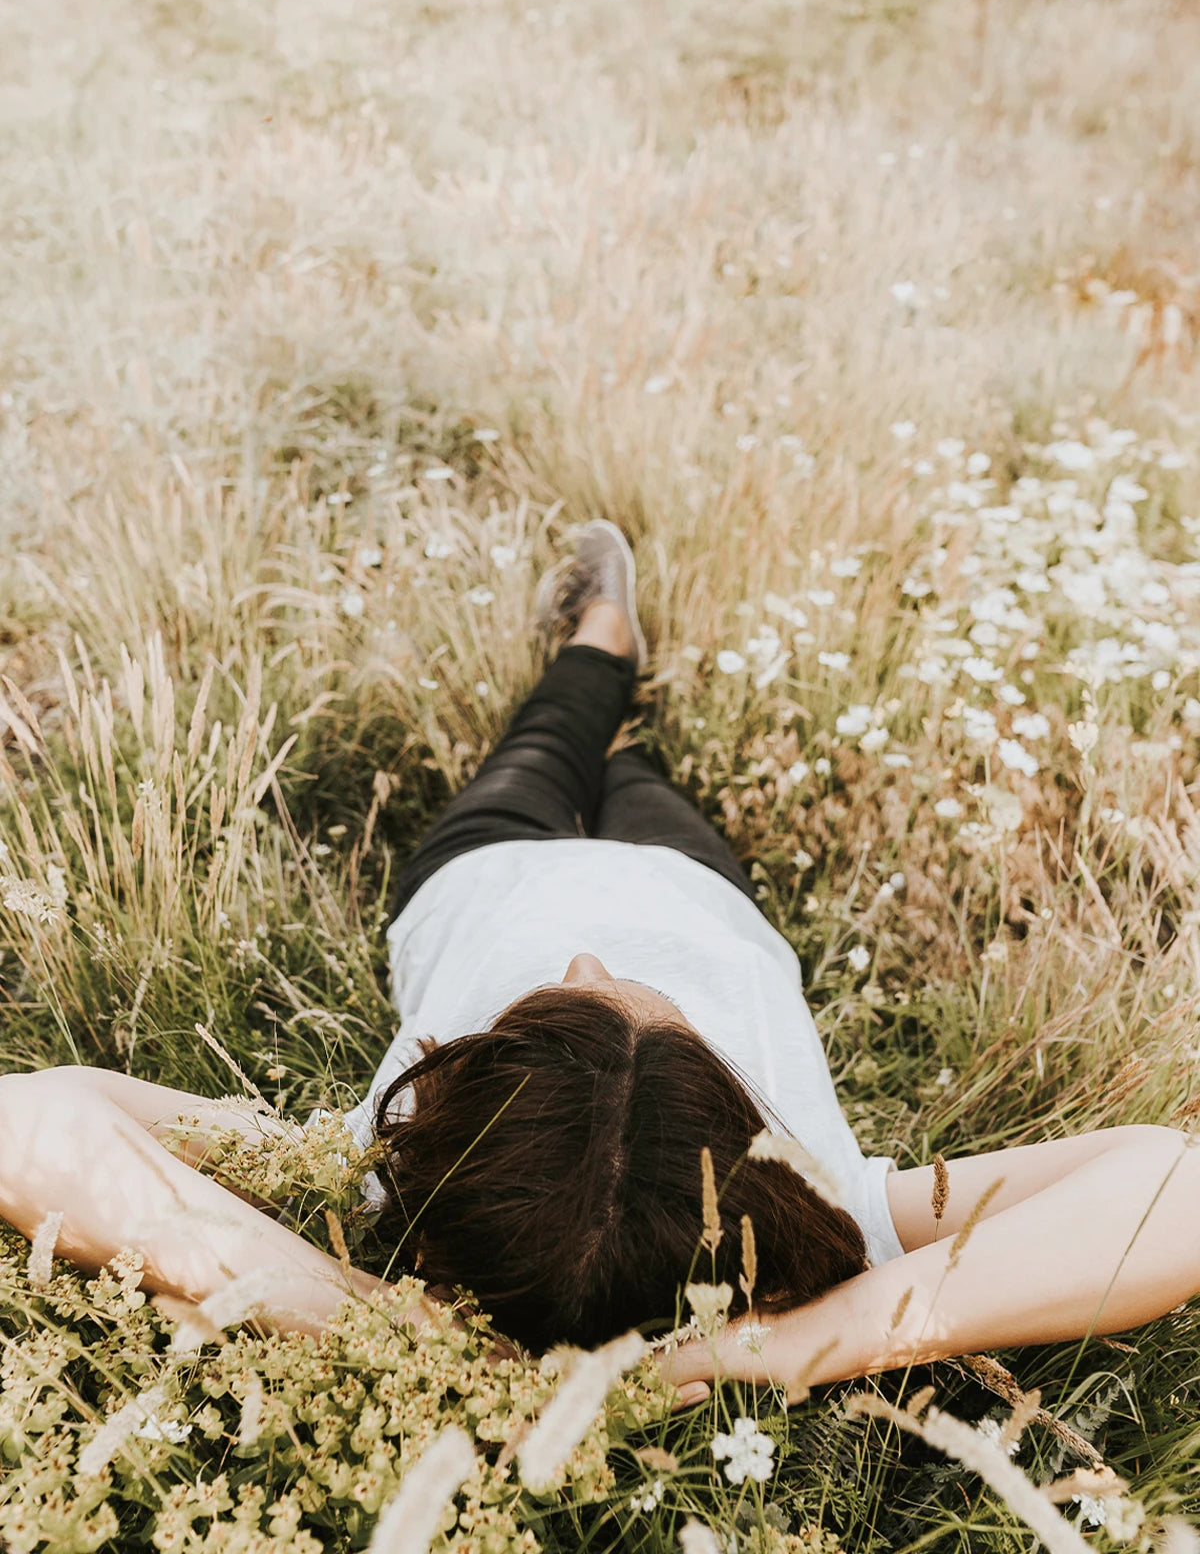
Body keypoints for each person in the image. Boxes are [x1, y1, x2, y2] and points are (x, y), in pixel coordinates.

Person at [0, 523, 1196, 1410]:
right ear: (728, 1122)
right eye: (655, 1011)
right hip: (696, 889)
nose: (588, 953)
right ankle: (616, 672)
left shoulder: (395, 1161)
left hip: (483, 870)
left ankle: (599, 654)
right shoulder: (812, 1186)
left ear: (463, 1094)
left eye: (563, 995)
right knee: (633, 775)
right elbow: (1172, 1187)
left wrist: (354, 1311)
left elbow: (31, 1122)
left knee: (548, 742)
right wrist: (792, 1343)